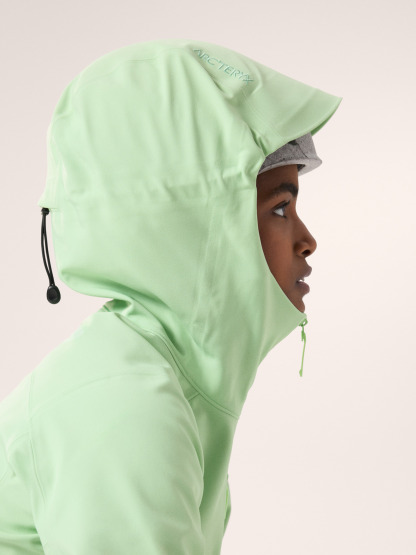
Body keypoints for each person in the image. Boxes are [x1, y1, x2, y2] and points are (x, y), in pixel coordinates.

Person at [0, 38, 342, 553]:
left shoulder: (158, 378)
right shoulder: (122, 408)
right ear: (192, 222)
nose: (307, 239)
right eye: (279, 208)